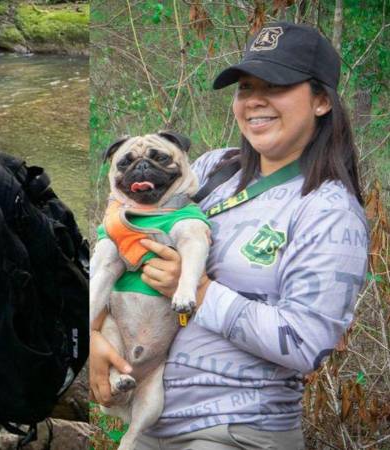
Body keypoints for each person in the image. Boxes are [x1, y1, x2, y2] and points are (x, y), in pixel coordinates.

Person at [90, 21, 369, 449]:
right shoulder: (213, 169)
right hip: (150, 422)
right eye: (245, 87)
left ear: (320, 101)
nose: (254, 100)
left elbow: (306, 343)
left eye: (276, 85)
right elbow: (125, 228)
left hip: (233, 432)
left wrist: (200, 291)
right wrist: (93, 339)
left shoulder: (328, 211)